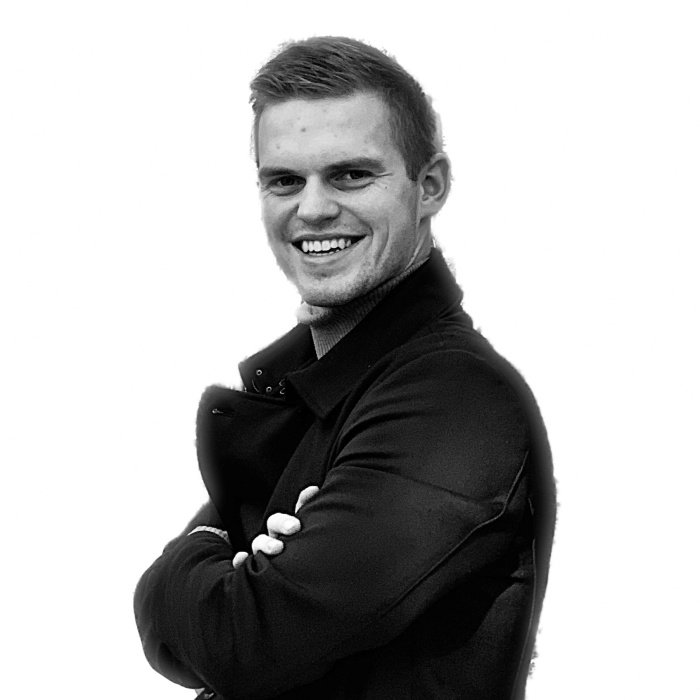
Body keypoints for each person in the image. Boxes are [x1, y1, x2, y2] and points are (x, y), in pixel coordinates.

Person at [134, 36, 556, 700]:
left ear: (430, 186)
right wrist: (225, 575)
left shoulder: (454, 401)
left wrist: (203, 547)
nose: (312, 209)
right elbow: (183, 626)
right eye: (284, 180)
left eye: (351, 175)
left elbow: (241, 642)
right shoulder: (325, 393)